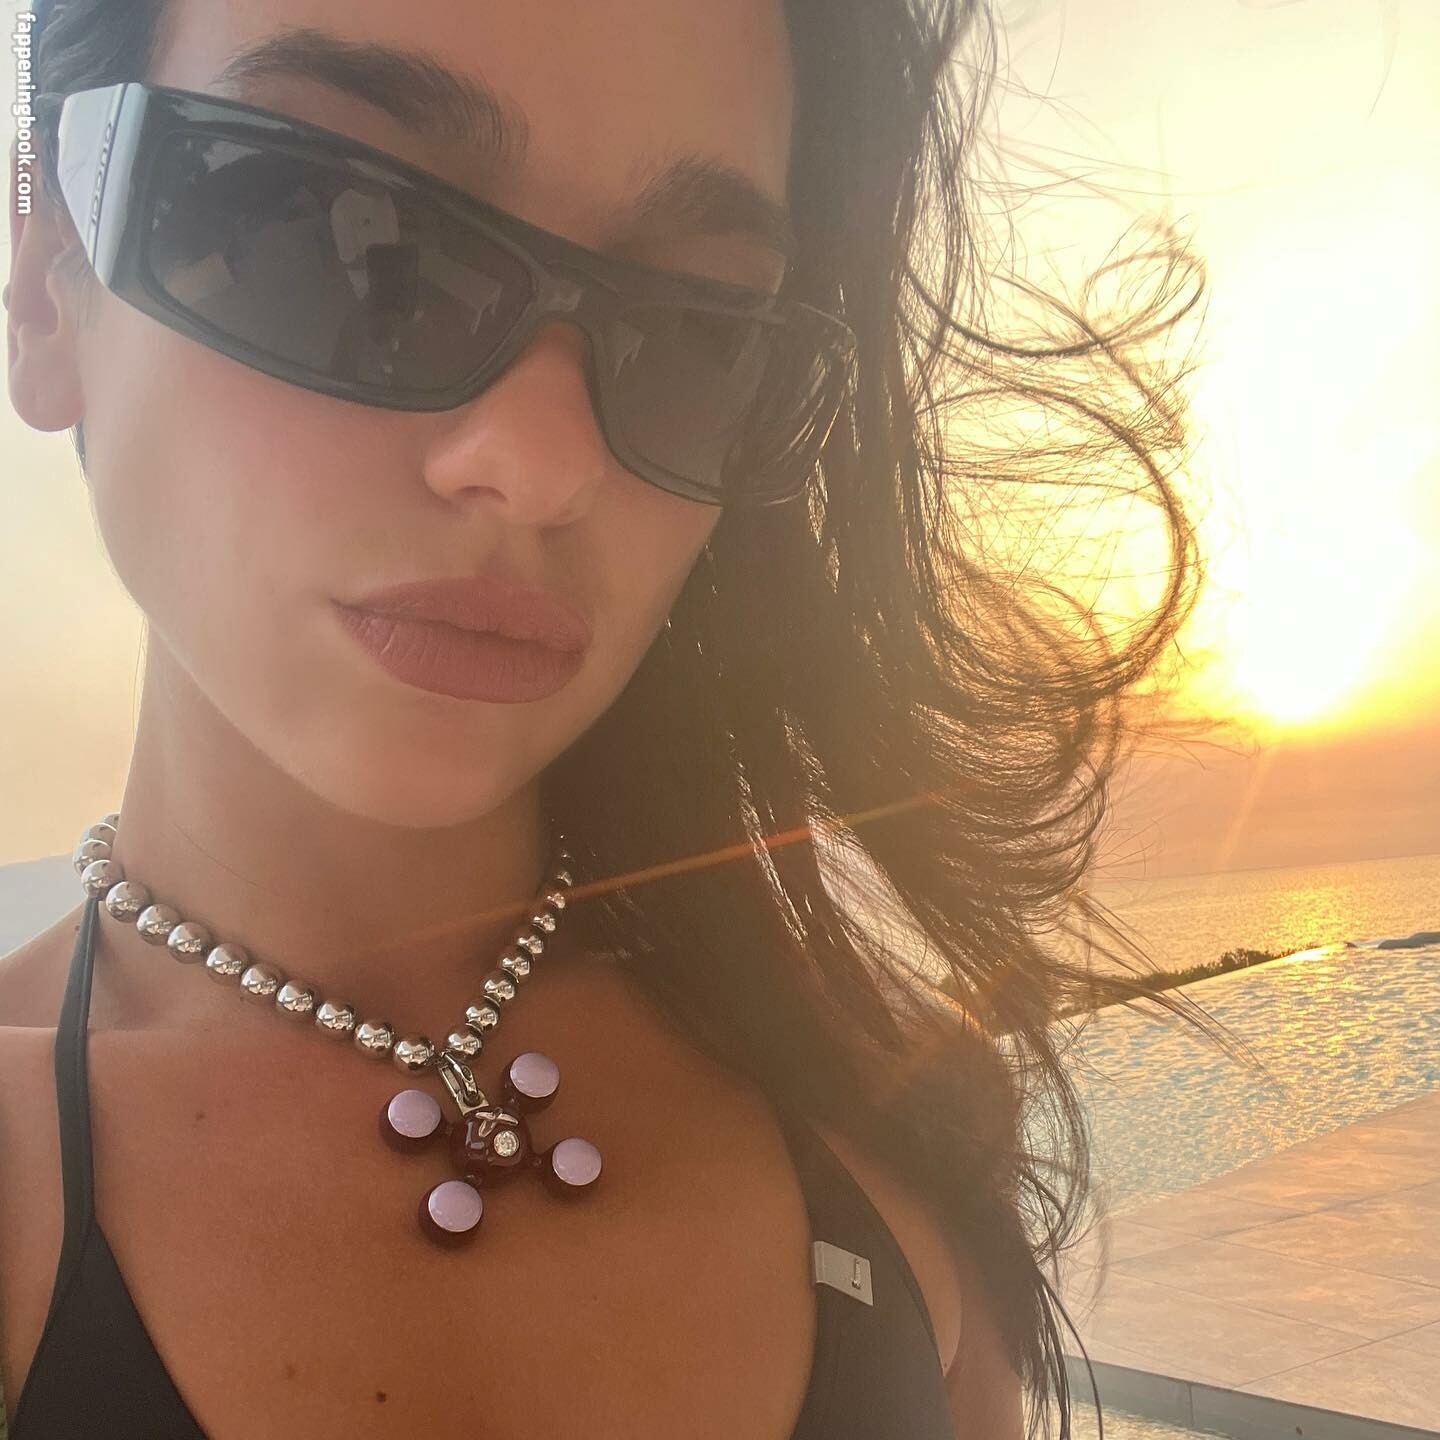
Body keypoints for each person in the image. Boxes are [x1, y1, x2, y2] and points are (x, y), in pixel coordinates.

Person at [0, 0, 1204, 1435]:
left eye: (697, 334)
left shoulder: (895, 1109)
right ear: (50, 274)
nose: (543, 459)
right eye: (349, 235)